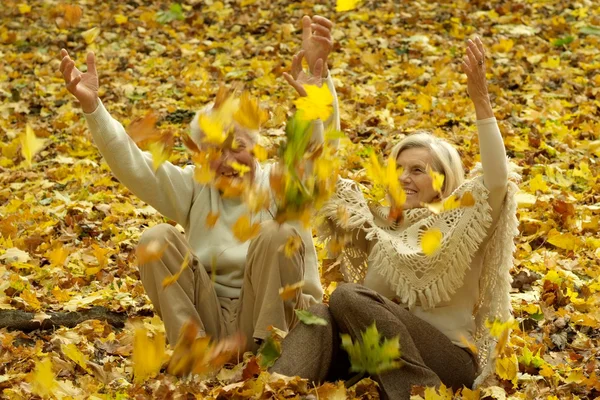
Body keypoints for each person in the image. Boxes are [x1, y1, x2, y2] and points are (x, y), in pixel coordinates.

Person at [58, 15, 341, 350]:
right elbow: (133, 165)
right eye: (215, 151)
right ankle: (194, 355)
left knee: (277, 233)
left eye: (238, 147)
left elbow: (317, 156)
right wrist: (93, 108)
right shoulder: (195, 187)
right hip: (212, 320)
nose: (228, 160)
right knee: (156, 238)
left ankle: (270, 360)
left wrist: (316, 98)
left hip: (279, 320)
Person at [272, 38, 520, 398]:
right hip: (373, 357)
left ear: (442, 181)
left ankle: (417, 392)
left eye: (417, 170)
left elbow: (497, 178)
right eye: (398, 169)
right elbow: (319, 180)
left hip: (446, 360)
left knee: (347, 296)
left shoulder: (463, 217)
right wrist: (314, 109)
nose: (404, 177)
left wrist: (481, 100)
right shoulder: (375, 225)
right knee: (321, 316)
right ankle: (274, 389)